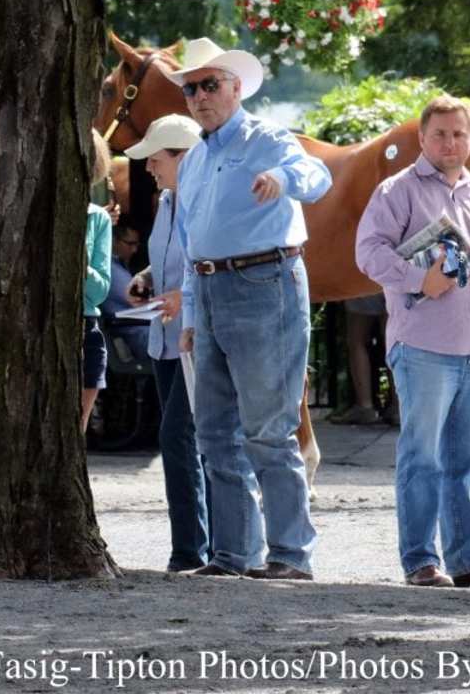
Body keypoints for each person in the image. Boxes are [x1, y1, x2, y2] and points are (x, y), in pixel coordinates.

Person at [169, 37, 332, 580]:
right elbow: (194, 244)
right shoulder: (194, 159)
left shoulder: (269, 137)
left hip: (266, 281)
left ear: (236, 88)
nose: (199, 96)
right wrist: (192, 315)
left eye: (209, 85)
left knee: (267, 428)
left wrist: (284, 177)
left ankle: (290, 554)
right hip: (214, 290)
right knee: (214, 432)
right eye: (191, 88)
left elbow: (317, 178)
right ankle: (234, 555)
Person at [355, 95, 470, 589]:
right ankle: (420, 561)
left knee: (466, 458)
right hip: (424, 345)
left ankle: (469, 560)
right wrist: (415, 279)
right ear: (422, 139)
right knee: (422, 457)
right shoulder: (396, 191)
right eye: (440, 134)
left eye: (459, 134)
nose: (450, 142)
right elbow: (367, 252)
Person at [123, 114, 212, 572]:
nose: (150, 168)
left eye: (157, 160)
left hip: (195, 336)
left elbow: (210, 261)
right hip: (165, 338)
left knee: (180, 436)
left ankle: (193, 551)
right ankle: (200, 548)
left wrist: (184, 294)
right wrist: (146, 277)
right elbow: (168, 262)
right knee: (187, 438)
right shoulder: (167, 199)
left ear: (184, 157)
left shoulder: (203, 200)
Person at [82, 129, 114, 435]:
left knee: (73, 433)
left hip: (85, 326)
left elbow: (99, 291)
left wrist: (79, 257)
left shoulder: (98, 220)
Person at [332, 294, 397, 426]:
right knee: (393, 341)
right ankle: (400, 406)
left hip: (365, 280)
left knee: (357, 341)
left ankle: (365, 406)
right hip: (395, 279)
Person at [101, 220, 150, 362]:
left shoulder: (119, 266)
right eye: (130, 244)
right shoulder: (112, 269)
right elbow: (138, 300)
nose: (134, 250)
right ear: (114, 241)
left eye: (137, 245)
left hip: (135, 329)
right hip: (134, 332)